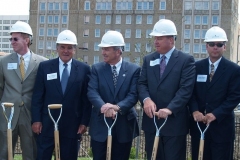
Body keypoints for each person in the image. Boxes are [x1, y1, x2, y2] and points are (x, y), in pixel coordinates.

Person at [138, 19, 196, 160]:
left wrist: (170, 109)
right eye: (155, 38)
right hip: (152, 122)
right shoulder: (148, 59)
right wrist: (146, 100)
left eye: (160, 38)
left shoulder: (185, 60)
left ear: (171, 39)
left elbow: (185, 89)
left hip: (174, 124)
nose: (156, 41)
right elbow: (141, 84)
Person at [31, 30, 92, 160]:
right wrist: (36, 120)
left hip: (72, 126)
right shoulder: (45, 67)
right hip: (46, 125)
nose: (66, 51)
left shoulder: (84, 69)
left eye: (69, 48)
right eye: (62, 47)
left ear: (74, 50)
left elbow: (86, 100)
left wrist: (84, 122)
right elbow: (38, 96)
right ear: (57, 48)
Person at [189, 26, 240, 160]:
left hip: (222, 130)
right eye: (212, 44)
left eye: (219, 44)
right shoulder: (196, 67)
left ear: (225, 47)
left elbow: (234, 97)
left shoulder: (234, 70)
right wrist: (195, 111)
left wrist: (215, 114)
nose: (215, 47)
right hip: (199, 128)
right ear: (206, 46)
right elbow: (190, 93)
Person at [87, 30, 140, 160]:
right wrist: (104, 107)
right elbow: (92, 92)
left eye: (107, 49)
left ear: (118, 51)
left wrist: (117, 107)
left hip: (123, 127)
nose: (103, 52)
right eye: (102, 49)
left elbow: (133, 95)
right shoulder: (96, 69)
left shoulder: (134, 70)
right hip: (100, 126)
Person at [0, 21, 48, 160]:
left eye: (15, 39)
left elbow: (43, 92)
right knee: (4, 152)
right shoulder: (3, 62)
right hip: (7, 114)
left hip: (30, 115)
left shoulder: (41, 63)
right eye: (11, 39)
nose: (12, 42)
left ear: (27, 40)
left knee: (31, 153)